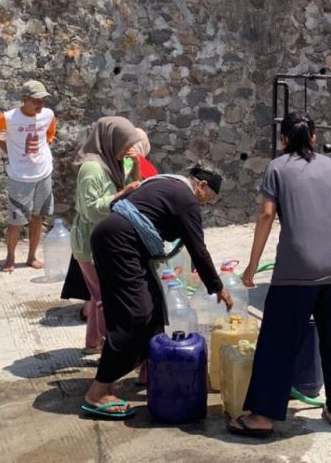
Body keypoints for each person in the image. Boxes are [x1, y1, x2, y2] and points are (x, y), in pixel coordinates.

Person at [228, 112, 331, 438]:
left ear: (284, 139)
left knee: (277, 342)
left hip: (294, 270)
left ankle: (263, 417)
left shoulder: (277, 168)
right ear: (313, 137)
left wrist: (252, 266)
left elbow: (266, 214)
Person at [82, 165, 233, 419]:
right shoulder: (186, 198)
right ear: (202, 186)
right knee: (135, 316)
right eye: (208, 199)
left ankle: (150, 371)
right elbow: (198, 247)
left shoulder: (164, 182)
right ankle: (97, 391)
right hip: (120, 244)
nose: (205, 205)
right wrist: (217, 287)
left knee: (154, 309)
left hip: (119, 241)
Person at [70, 117, 149, 354]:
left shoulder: (113, 162)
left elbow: (135, 187)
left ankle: (92, 343)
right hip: (91, 241)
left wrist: (135, 164)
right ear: (111, 141)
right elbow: (91, 209)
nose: (127, 150)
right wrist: (121, 194)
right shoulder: (92, 168)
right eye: (125, 145)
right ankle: (110, 350)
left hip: (104, 239)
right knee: (105, 297)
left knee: (97, 296)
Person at [0, 80, 57, 272]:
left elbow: (50, 131)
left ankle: (32, 256)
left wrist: (45, 145)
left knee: (37, 216)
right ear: (25, 99)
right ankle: (10, 258)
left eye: (43, 101)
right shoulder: (9, 118)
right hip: (20, 175)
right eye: (36, 101)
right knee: (16, 220)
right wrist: (4, 146)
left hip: (43, 172)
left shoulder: (48, 115)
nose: (40, 105)